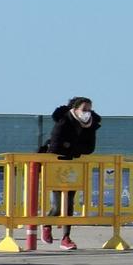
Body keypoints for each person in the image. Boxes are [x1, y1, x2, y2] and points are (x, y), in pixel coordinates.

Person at [34, 96, 101, 251]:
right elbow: (56, 146)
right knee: (57, 205)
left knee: (70, 203)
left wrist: (70, 147)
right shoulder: (63, 121)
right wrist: (73, 148)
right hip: (56, 166)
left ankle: (66, 238)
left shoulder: (91, 126)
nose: (87, 113)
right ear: (75, 109)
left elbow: (89, 148)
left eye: (89, 110)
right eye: (84, 110)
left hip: (74, 167)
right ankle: (47, 224)